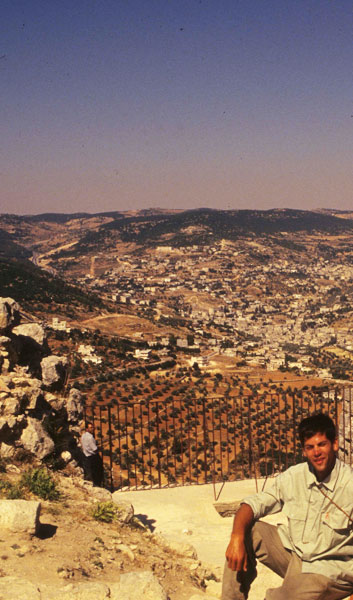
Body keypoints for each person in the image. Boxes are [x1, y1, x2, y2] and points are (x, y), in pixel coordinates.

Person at [222, 413, 353, 600]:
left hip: (329, 568)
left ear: (334, 444)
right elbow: (254, 504)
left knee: (283, 598)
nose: (316, 452)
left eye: (322, 444)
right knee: (247, 531)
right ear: (304, 451)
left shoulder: (349, 484)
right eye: (310, 447)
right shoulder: (294, 477)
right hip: (296, 554)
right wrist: (236, 537)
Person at [81, 422, 104, 487]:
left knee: (90, 471)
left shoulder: (83, 435)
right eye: (91, 427)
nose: (93, 429)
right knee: (98, 472)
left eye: (93, 427)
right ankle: (97, 485)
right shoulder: (90, 437)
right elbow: (94, 449)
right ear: (87, 429)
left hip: (86, 455)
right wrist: (100, 448)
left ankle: (92, 484)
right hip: (93, 456)